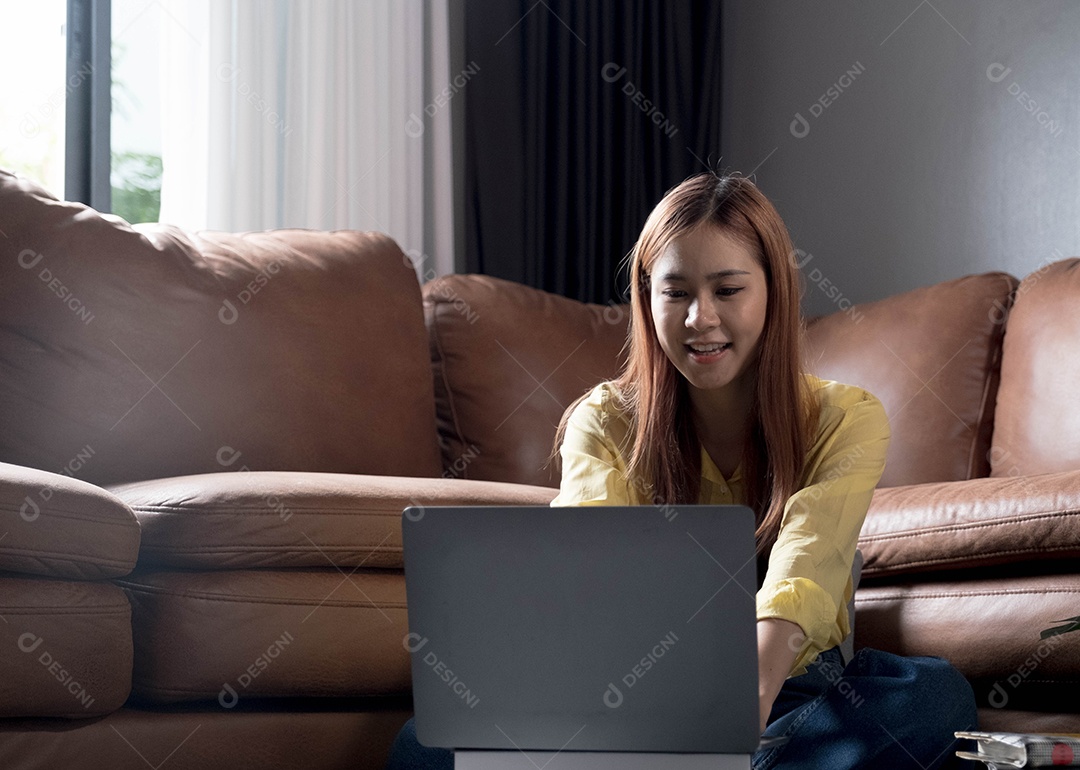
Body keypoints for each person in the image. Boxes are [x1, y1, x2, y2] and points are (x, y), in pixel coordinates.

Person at [385, 173, 977, 770]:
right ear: (648, 300)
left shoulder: (845, 417)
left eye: (728, 289)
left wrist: (740, 712)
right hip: (630, 695)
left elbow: (808, 566)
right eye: (676, 293)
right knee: (423, 745)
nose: (700, 318)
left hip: (788, 692)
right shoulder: (603, 420)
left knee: (933, 697)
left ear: (774, 292)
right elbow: (593, 585)